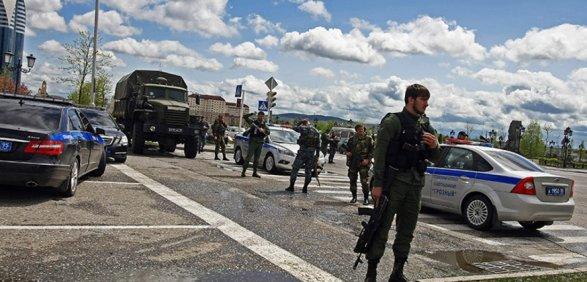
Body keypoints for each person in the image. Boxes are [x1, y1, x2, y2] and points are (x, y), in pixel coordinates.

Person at [365, 84, 440, 282]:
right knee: (381, 227)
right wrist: (377, 184)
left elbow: (436, 157)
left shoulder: (426, 126)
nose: (426, 103)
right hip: (393, 183)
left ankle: (397, 272)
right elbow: (379, 154)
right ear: (410, 99)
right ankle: (371, 271)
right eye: (423, 99)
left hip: (415, 184)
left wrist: (435, 145)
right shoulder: (393, 122)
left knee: (407, 230)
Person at [285, 119, 321, 193]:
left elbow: (295, 128)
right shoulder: (316, 131)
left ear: (304, 124)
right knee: (308, 172)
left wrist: (299, 123)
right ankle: (305, 188)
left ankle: (291, 186)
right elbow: (318, 145)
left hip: (302, 153)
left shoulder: (304, 128)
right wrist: (317, 155)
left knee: (295, 169)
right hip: (311, 154)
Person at [346, 124, 374, 205]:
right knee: (352, 180)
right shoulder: (352, 139)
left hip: (363, 163)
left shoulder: (369, 139)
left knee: (364, 182)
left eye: (362, 129)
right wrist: (348, 153)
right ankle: (354, 197)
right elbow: (347, 149)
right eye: (359, 129)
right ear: (356, 130)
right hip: (353, 162)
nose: (361, 131)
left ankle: (366, 198)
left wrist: (367, 160)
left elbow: (372, 151)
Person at [241, 112, 270, 178]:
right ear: (258, 116)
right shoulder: (253, 123)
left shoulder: (264, 124)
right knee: (249, 157)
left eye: (263, 116)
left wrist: (264, 130)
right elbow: (245, 116)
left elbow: (268, 132)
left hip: (260, 142)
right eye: (260, 116)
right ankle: (243, 171)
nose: (261, 117)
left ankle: (254, 172)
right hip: (253, 141)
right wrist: (251, 114)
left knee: (257, 159)